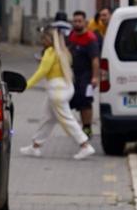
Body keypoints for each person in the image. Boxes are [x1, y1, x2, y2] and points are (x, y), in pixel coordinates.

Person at [20, 25, 95, 160]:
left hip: (56, 91)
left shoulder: (50, 52)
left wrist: (25, 85)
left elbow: (42, 72)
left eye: (44, 38)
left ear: (50, 39)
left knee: (67, 119)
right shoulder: (63, 51)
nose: (42, 41)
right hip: (64, 87)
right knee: (47, 119)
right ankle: (35, 146)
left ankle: (85, 145)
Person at [67, 10, 101, 138]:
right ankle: (76, 128)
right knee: (74, 101)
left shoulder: (90, 38)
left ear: (85, 22)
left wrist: (95, 77)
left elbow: (95, 60)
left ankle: (87, 128)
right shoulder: (71, 36)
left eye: (79, 21)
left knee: (85, 103)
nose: (77, 23)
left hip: (86, 76)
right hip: (73, 76)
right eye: (75, 21)